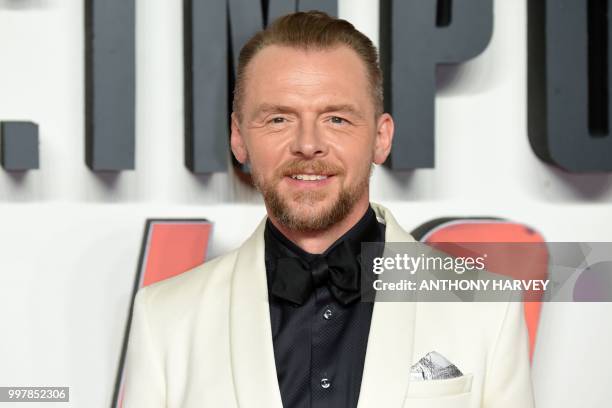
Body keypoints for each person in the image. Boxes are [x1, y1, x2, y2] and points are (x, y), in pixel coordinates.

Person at [122, 11, 534, 408]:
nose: (307, 144)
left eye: (336, 119)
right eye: (279, 119)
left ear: (381, 137)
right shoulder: (165, 317)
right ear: (239, 137)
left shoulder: (487, 309)